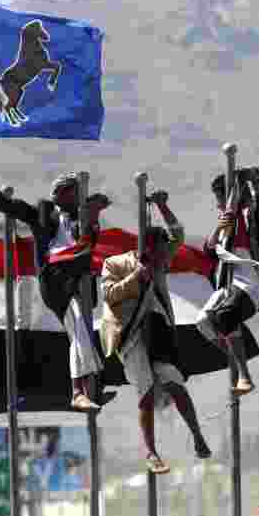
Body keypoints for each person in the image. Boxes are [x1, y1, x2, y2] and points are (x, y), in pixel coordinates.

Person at [0, 159, 110, 412]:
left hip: (79, 280)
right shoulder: (42, 214)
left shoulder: (80, 220)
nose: (77, 197)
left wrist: (94, 215)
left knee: (82, 332)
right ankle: (78, 392)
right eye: (74, 191)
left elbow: (88, 244)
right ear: (60, 194)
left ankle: (89, 390)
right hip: (57, 279)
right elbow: (6, 205)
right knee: (79, 328)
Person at [99, 193, 211, 474]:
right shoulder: (116, 264)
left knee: (175, 383)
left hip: (158, 330)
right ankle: (151, 453)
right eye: (161, 253)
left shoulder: (161, 260)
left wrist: (162, 206)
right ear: (149, 248)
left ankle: (197, 435)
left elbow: (178, 234)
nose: (166, 259)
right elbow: (109, 295)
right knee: (146, 392)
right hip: (130, 335)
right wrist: (138, 276)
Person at [198, 166, 259, 395]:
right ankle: (238, 360)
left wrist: (255, 181)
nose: (220, 206)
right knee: (203, 322)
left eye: (222, 200)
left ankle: (243, 374)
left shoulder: (251, 216)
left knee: (226, 316)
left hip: (255, 283)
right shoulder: (225, 226)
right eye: (219, 202)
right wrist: (218, 228)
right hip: (229, 284)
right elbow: (209, 252)